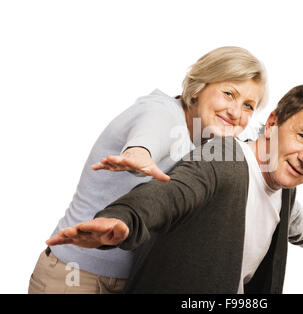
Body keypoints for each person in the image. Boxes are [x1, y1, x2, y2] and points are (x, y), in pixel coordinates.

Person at [47, 84, 303, 293]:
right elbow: (169, 195)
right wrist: (124, 219)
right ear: (273, 122)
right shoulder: (221, 159)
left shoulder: (285, 186)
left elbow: (295, 224)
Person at [28, 46, 268, 294]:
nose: (236, 112)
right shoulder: (161, 113)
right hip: (77, 277)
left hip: (133, 281)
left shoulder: (207, 141)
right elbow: (150, 135)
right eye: (229, 94)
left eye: (249, 105)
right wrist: (138, 153)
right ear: (199, 87)